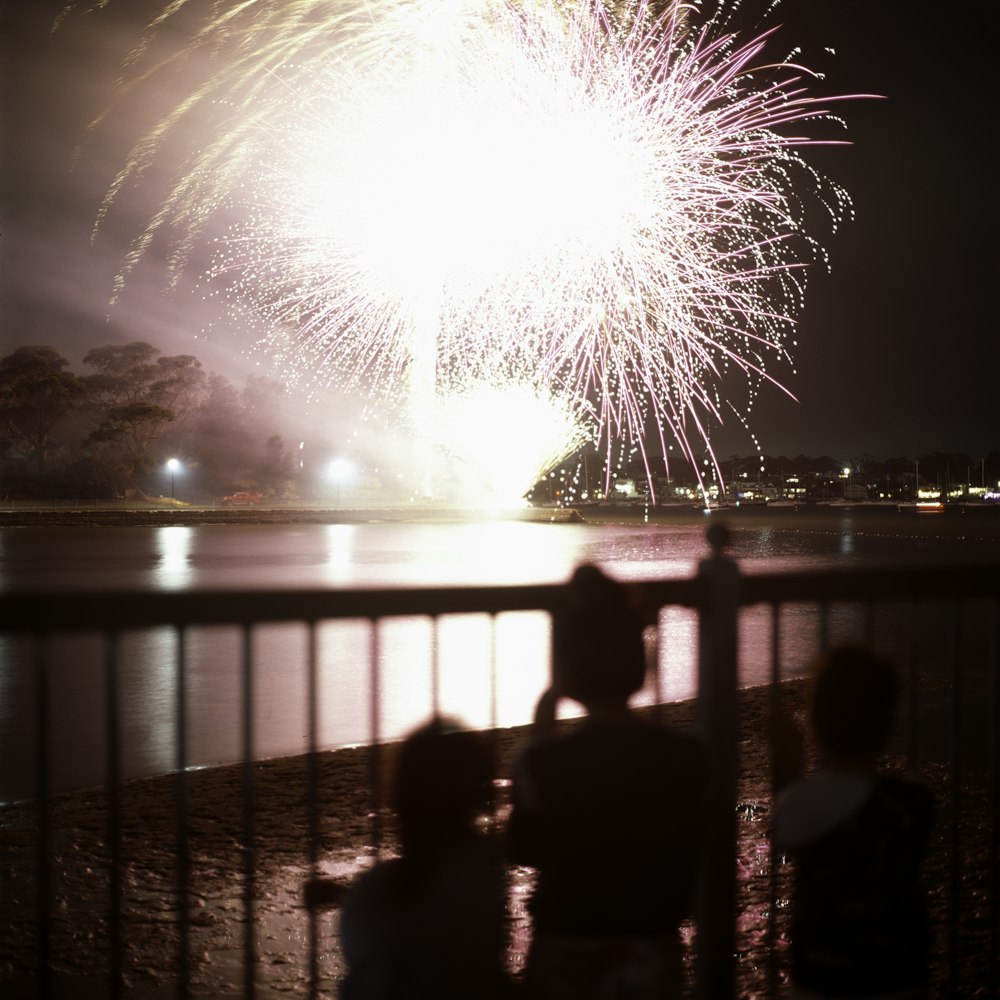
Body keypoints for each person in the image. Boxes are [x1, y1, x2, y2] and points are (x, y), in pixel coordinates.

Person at [507, 563, 711, 1000]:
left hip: (566, 949)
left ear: (567, 671)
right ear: (638, 661)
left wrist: (541, 728)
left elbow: (521, 847)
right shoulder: (685, 757)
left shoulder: (544, 762)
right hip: (651, 948)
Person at [306, 717, 513, 1000]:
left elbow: (403, 919)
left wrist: (350, 898)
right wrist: (344, 895)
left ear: (402, 797)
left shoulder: (378, 890)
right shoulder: (487, 867)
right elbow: (430, 909)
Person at [769, 645, 933, 999]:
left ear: (815, 723)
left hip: (822, 981)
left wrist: (788, 768)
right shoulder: (913, 801)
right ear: (888, 725)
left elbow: (784, 831)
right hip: (900, 979)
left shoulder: (802, 803)